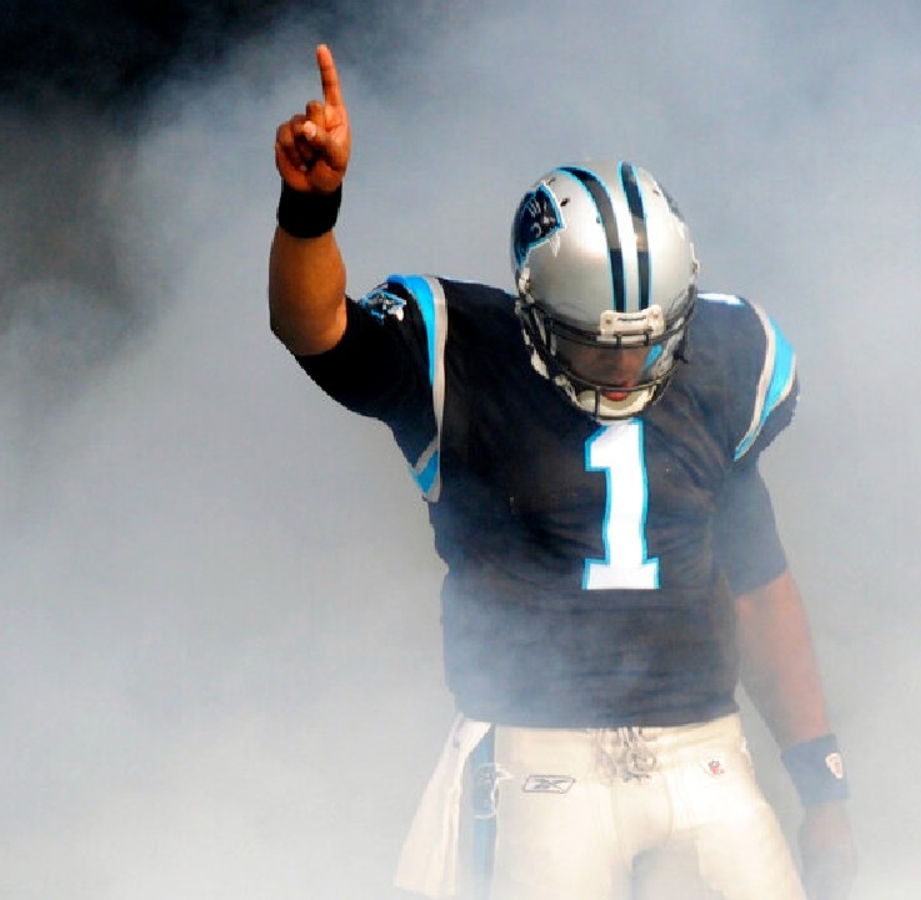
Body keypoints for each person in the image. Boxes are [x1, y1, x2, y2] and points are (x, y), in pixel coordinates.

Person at [268, 44, 857, 900]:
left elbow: (760, 589)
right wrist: (309, 210)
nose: (624, 367)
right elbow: (314, 327)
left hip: (706, 761)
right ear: (533, 309)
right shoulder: (464, 352)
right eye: (594, 343)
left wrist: (822, 783)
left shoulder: (725, 366)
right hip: (537, 768)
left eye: (648, 341)